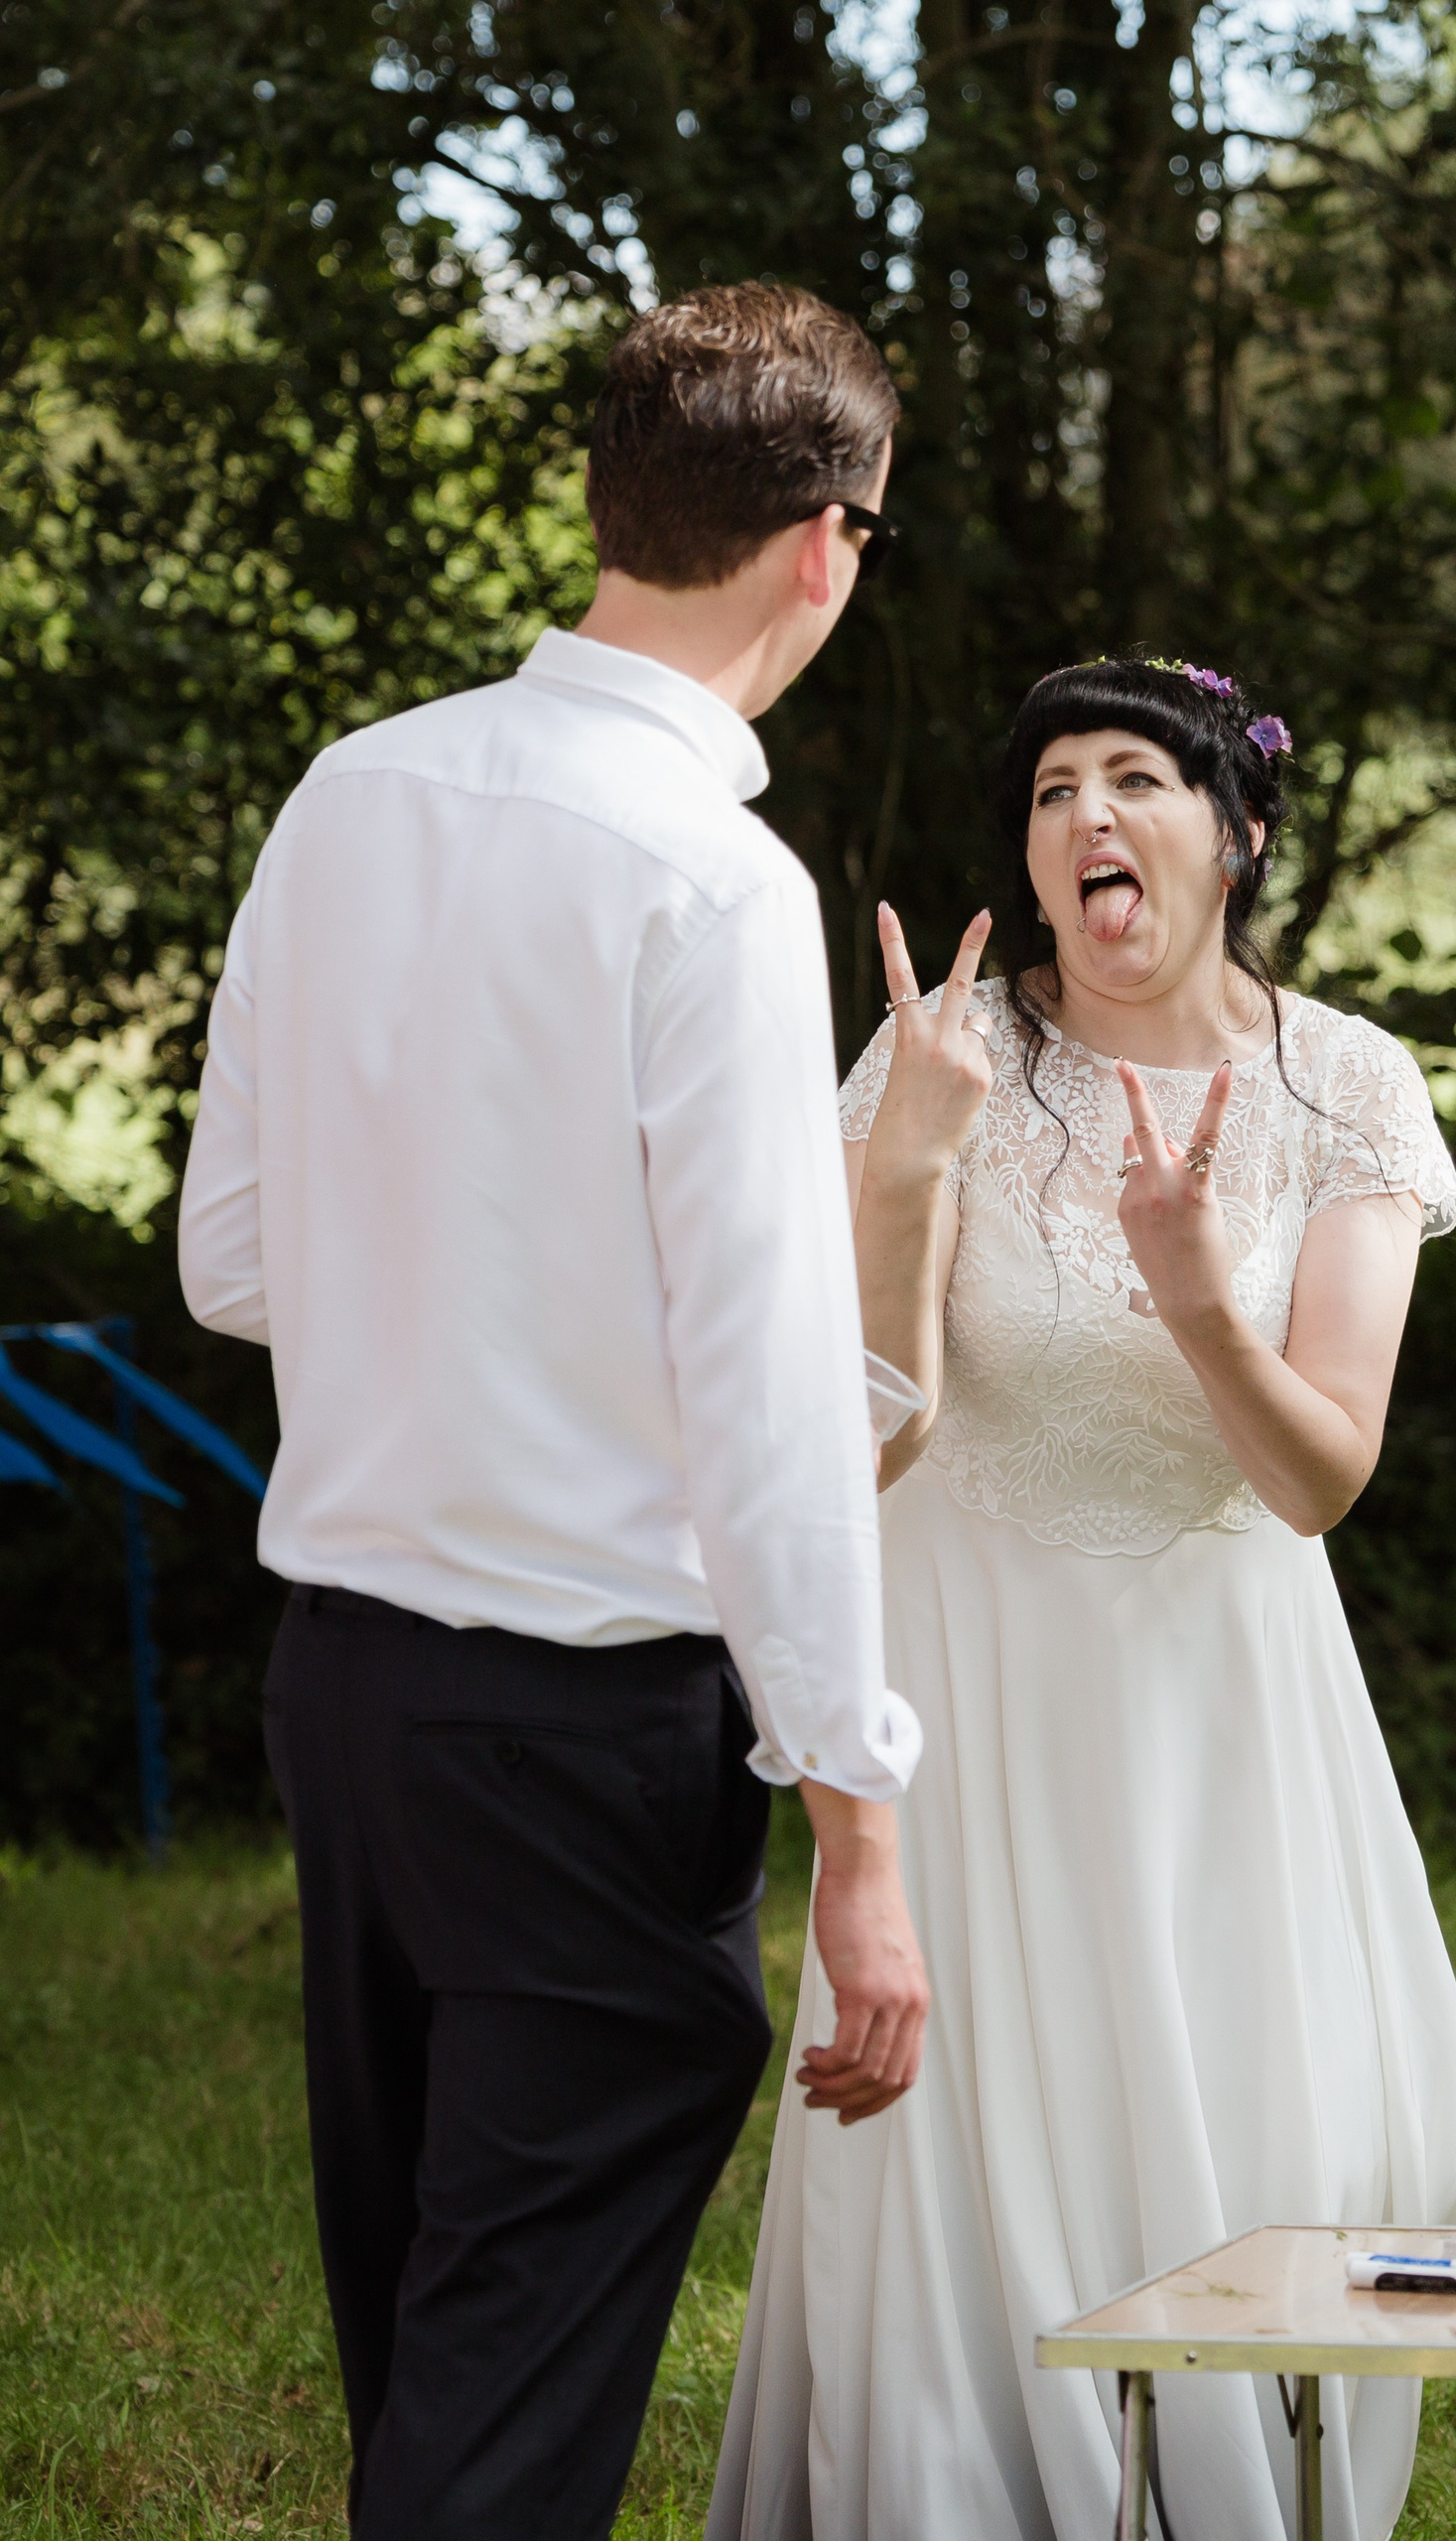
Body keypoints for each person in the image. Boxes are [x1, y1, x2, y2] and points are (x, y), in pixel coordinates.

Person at [177, 283, 933, 2541]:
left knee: (432, 2342)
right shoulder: (712, 879)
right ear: (822, 545)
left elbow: (229, 1255)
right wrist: (862, 1831)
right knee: (496, 2409)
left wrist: (462, 1306)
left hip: (345, 1693)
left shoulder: (349, 790)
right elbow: (774, 1405)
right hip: (586, 1735)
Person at [711, 657, 1456, 2541]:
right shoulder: (943, 1053)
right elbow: (863, 1447)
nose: (1085, 820)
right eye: (1052, 791)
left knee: (1254, 2134)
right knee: (968, 2175)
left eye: (1133, 778)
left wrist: (1200, 1295)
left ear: (1234, 835)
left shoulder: (1346, 1083)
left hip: (1228, 1707)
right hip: (972, 1693)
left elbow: (1317, 1478)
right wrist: (904, 1173)